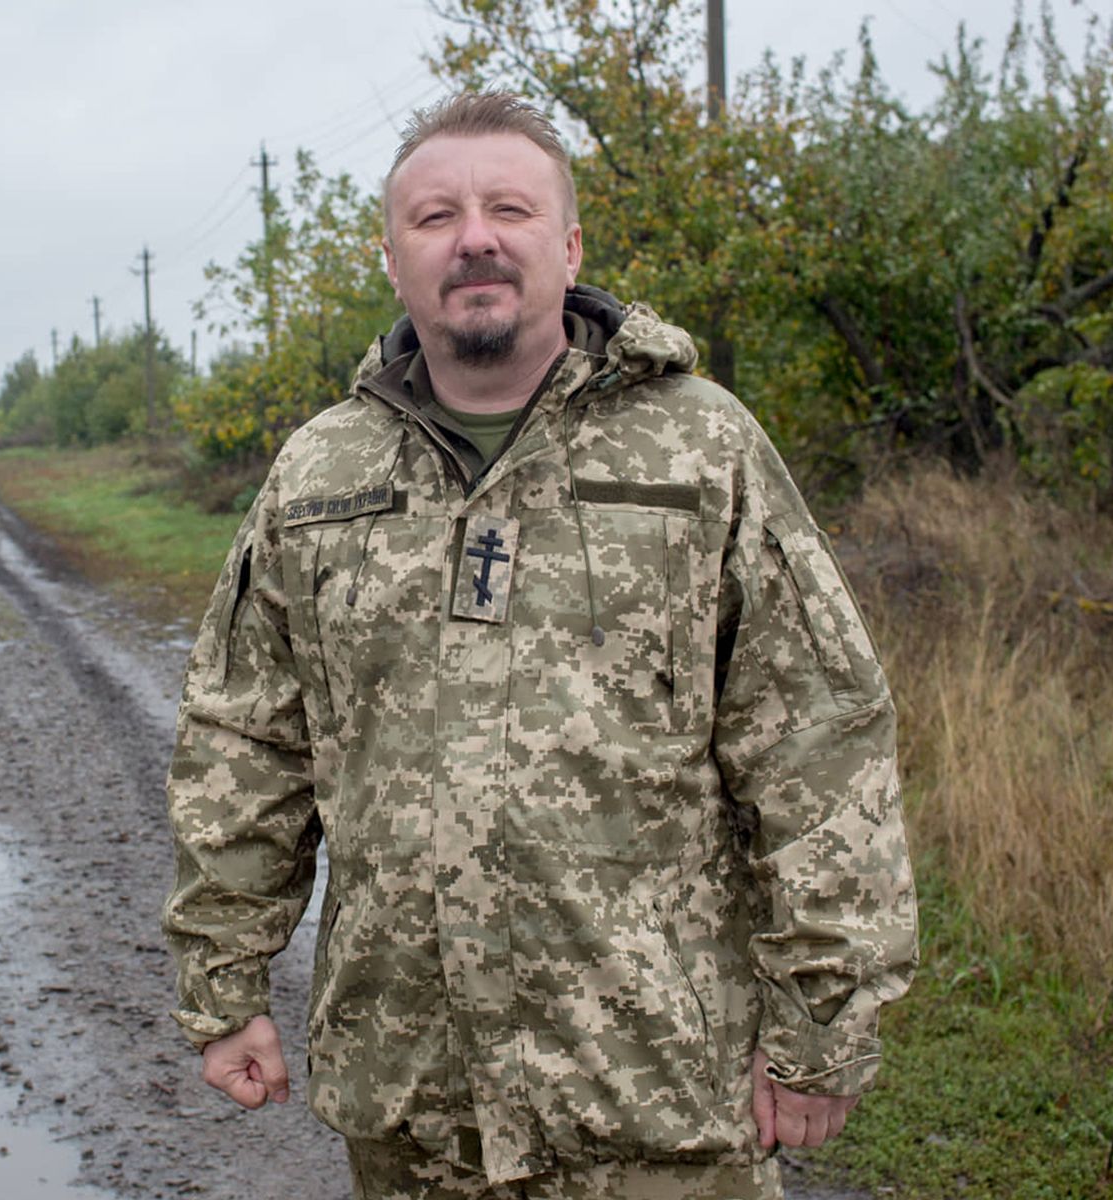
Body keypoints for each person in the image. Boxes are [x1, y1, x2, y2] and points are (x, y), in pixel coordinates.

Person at [161, 91, 917, 1200]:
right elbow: (244, 746)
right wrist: (223, 984)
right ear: (391, 258)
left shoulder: (699, 449)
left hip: (657, 1094)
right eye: (434, 217)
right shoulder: (320, 476)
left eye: (508, 209)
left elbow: (819, 744)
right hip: (414, 1104)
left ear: (567, 247)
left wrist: (826, 1023)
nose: (474, 237)